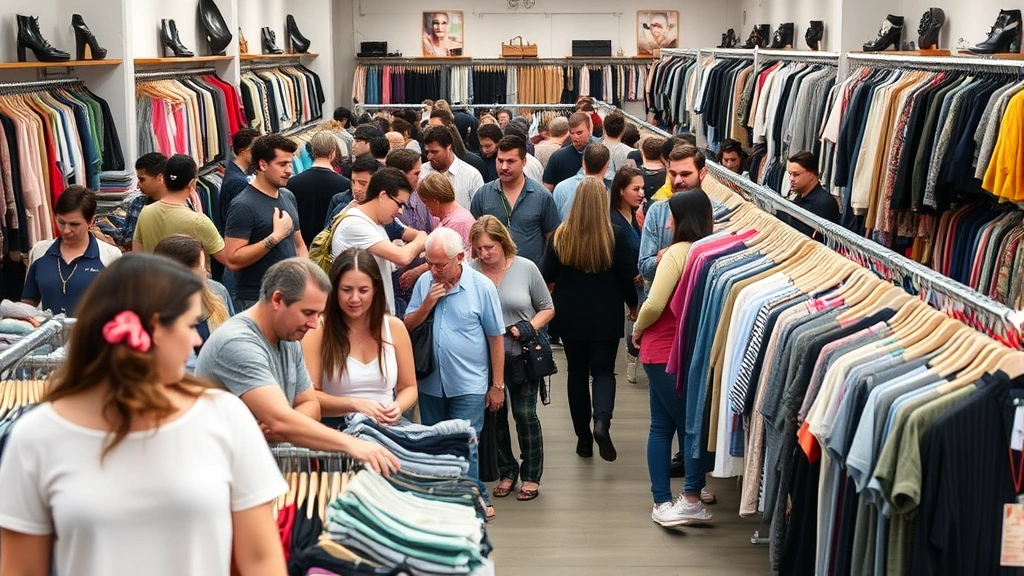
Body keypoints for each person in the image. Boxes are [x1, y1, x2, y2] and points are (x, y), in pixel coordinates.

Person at [0, 253, 288, 576]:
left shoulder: (225, 419)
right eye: (191, 324)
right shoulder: (37, 438)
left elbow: (261, 560)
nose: (197, 340)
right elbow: (20, 568)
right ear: (153, 326)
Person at [195, 258, 400, 473]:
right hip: (221, 473)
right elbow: (281, 420)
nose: (313, 324)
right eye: (308, 312)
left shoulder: (289, 336)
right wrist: (353, 445)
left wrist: (288, 423)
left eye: (318, 314)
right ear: (277, 299)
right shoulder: (237, 343)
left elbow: (311, 405)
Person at [631, 189, 716, 527]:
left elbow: (653, 303)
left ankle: (669, 500)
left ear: (684, 219)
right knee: (687, 425)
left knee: (669, 426)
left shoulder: (678, 253)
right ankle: (682, 498)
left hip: (662, 347)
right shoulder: (708, 250)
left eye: (672, 215)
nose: (667, 221)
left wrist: (636, 329)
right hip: (673, 350)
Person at [541, 177, 638, 462]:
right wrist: (633, 305)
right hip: (606, 313)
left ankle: (583, 439)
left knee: (577, 373)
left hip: (569, 314)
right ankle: (602, 423)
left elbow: (547, 275)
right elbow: (626, 277)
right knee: (605, 372)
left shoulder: (561, 235)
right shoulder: (615, 234)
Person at [404, 227, 505, 483]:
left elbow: (495, 339)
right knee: (435, 446)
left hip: (469, 383)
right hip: (430, 382)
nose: (434, 270)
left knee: (465, 447)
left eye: (441, 265)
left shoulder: (481, 287)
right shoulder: (424, 282)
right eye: (430, 263)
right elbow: (406, 327)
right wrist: (427, 304)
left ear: (460, 257)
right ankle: (441, 501)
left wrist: (497, 386)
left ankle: (470, 499)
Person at [468, 216, 553, 502]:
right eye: (478, 248)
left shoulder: (526, 268)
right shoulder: (471, 271)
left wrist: (528, 326)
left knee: (525, 414)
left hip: (522, 353)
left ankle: (532, 473)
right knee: (496, 414)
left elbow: (547, 307)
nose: (484, 254)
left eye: (489, 247)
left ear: (503, 242)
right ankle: (507, 470)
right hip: (485, 356)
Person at [301, 248, 418, 429]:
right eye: (347, 290)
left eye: (363, 290)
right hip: (338, 430)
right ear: (334, 289)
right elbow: (308, 396)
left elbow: (409, 387)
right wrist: (355, 404)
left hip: (387, 427)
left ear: (375, 289)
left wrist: (398, 406)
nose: (355, 298)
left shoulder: (394, 327)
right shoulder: (318, 330)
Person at [223, 134, 307, 312]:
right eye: (282, 164)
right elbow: (232, 259)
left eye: (290, 163)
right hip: (257, 301)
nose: (289, 170)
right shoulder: (243, 205)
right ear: (262, 164)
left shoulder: (288, 196)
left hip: (290, 295)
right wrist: (274, 237)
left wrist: (305, 278)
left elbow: (299, 244)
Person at [330, 168, 427, 315]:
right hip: (361, 317)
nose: (400, 211)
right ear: (383, 196)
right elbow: (402, 256)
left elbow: (408, 234)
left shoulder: (379, 220)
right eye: (399, 204)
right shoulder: (355, 224)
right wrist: (422, 237)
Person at [22, 186, 121, 316]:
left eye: (74, 224)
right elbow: (28, 301)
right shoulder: (40, 252)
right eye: (61, 222)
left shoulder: (110, 256)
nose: (66, 230)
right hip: (50, 334)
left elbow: (121, 308)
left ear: (91, 221)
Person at [470, 135, 559, 267]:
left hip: (530, 277)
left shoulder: (542, 196)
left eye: (510, 161)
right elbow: (474, 237)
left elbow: (551, 238)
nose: (504, 167)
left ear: (524, 162)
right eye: (500, 161)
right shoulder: (482, 195)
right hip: (490, 275)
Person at [133, 154, 229, 271]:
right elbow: (228, 259)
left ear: (164, 179)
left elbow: (136, 256)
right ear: (191, 183)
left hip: (154, 284)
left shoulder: (145, 212)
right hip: (188, 286)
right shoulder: (199, 221)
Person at [153, 234, 233, 369]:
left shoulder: (218, 291)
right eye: (202, 265)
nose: (207, 271)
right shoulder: (154, 310)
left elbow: (233, 337)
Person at [639, 146, 708, 286]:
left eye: (685, 174)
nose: (677, 181)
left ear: (702, 173)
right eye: (672, 174)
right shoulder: (657, 212)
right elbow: (644, 268)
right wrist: (666, 257)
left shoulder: (717, 214)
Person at [403, 173, 475, 289]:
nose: (425, 206)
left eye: (426, 202)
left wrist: (416, 272)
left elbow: (445, 260)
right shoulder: (443, 218)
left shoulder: (458, 223)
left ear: (435, 201)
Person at [610, 166, 646, 383]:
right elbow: (622, 265)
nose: (641, 193)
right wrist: (633, 303)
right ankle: (632, 358)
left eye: (642, 188)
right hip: (624, 294)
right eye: (636, 188)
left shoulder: (632, 216)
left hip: (633, 290)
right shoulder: (616, 223)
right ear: (621, 190)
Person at [288, 132, 352, 247]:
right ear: (333, 153)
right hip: (330, 246)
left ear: (312, 152)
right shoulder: (345, 184)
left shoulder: (293, 183)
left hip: (302, 245)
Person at [419, 125, 484, 209]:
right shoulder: (421, 172)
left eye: (434, 152)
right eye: (427, 152)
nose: (429, 157)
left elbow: (479, 210)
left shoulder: (471, 175)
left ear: (448, 148)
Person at [783, 150, 839, 238]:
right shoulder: (798, 197)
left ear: (811, 175)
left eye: (796, 174)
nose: (791, 179)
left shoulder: (825, 203)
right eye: (790, 174)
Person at [542, 112, 601, 192]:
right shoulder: (557, 157)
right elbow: (547, 191)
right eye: (572, 133)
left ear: (589, 130)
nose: (575, 137)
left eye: (579, 133)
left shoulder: (600, 155)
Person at [552, 142, 611, 220]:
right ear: (607, 165)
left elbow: (554, 221)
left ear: (583, 163)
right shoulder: (612, 194)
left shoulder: (561, 188)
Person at [219, 128, 260, 232]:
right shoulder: (238, 181)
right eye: (256, 148)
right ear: (243, 151)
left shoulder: (235, 170)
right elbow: (241, 216)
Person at [385, 148, 434, 235]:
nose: (420, 177)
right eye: (416, 174)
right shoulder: (384, 204)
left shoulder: (423, 197)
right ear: (400, 174)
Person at [324, 156, 378, 227]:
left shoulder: (383, 203)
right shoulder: (338, 200)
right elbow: (327, 231)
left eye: (362, 183)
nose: (356, 188)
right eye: (353, 182)